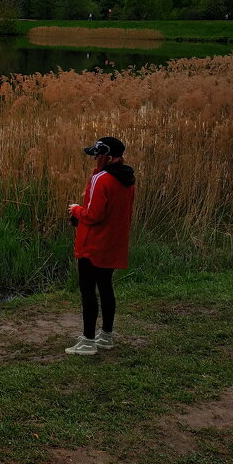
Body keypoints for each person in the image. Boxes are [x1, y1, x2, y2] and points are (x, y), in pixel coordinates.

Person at [65, 137, 136, 356]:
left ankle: (87, 341)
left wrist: (76, 210)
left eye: (97, 155)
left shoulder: (101, 178)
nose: (95, 159)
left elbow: (94, 215)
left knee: (87, 290)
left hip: (93, 244)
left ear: (107, 157)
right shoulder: (127, 179)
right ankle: (106, 336)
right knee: (105, 287)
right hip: (112, 244)